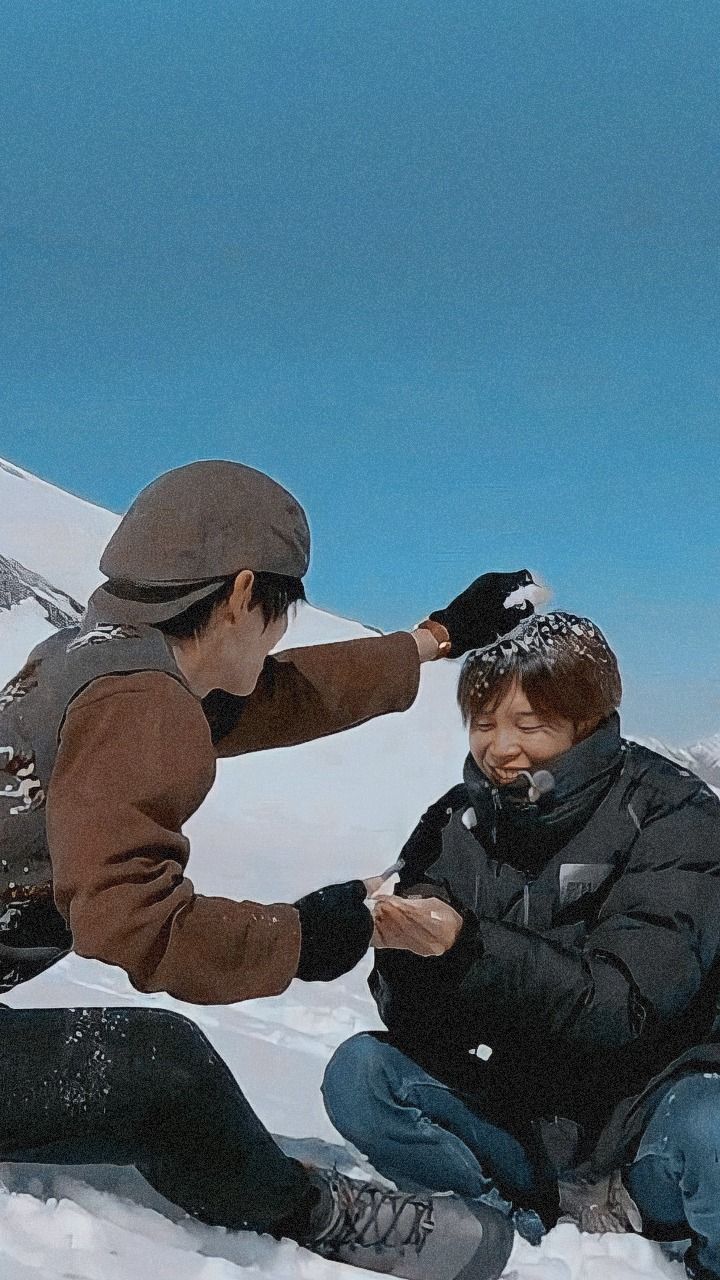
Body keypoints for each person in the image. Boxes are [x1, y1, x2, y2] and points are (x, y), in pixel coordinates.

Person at [0, 459, 538, 1279]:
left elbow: (270, 696)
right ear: (245, 592)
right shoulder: (140, 705)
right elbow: (130, 922)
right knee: (162, 1067)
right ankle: (309, 1210)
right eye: (284, 612)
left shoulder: (93, 656)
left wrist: (436, 638)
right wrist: (302, 937)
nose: (285, 634)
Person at [323, 611, 720, 1280]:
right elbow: (417, 1025)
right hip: (525, 1129)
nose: (499, 747)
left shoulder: (679, 817)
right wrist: (409, 955)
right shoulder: (457, 821)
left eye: (528, 725)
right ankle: (506, 1235)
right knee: (362, 1075)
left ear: (587, 723)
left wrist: (468, 947)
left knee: (712, 1127)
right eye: (483, 723)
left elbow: (624, 1003)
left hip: (649, 1130)